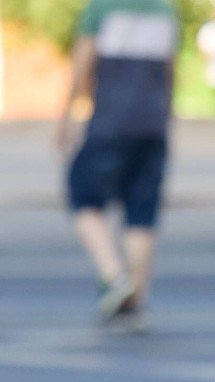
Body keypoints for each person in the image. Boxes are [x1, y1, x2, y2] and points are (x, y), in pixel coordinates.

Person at [56, 0, 178, 332]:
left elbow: (83, 61)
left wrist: (67, 114)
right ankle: (135, 303)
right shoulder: (164, 10)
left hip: (111, 122)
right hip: (152, 124)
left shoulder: (102, 7)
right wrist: (167, 116)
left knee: (83, 194)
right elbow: (170, 69)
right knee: (142, 210)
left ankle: (114, 275)